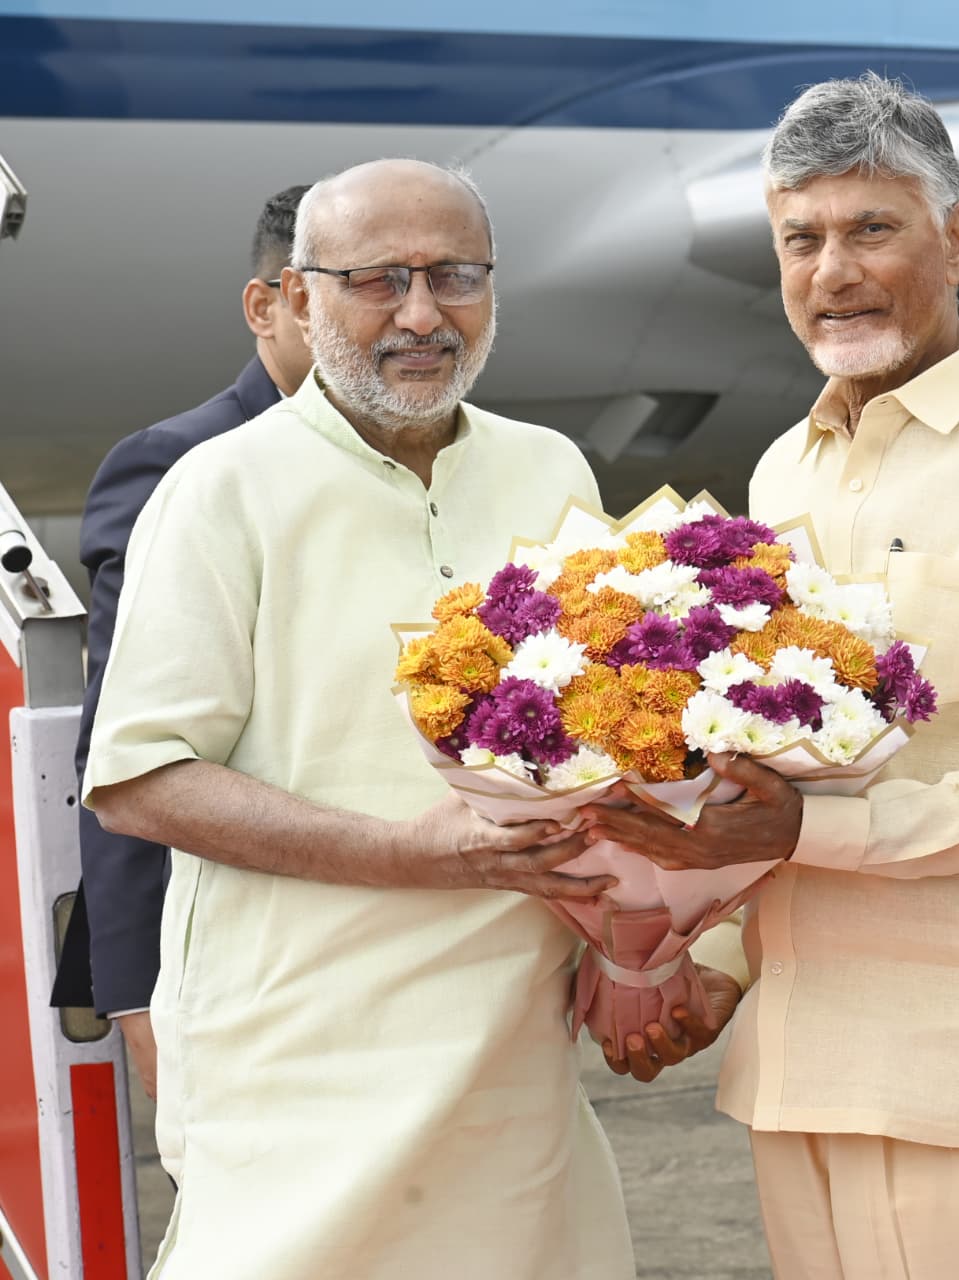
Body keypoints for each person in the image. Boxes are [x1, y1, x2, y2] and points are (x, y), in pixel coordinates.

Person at [586, 73, 959, 1279]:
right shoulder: (785, 472)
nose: (833, 272)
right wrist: (717, 964)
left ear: (954, 238)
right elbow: (769, 770)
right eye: (801, 239)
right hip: (800, 1069)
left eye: (872, 229)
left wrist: (811, 829)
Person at [82, 159, 634, 1280]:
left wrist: (646, 944)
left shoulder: (552, 469)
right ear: (300, 295)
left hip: (510, 1052)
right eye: (378, 280)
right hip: (297, 1051)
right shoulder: (217, 486)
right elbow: (140, 778)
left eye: (455, 276)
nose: (422, 315)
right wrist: (406, 852)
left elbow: (623, 737)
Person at [50, 185, 314, 1104]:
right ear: (267, 306)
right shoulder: (177, 463)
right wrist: (134, 995)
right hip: (233, 958)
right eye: (352, 286)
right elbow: (122, 746)